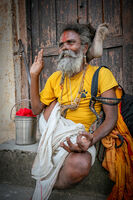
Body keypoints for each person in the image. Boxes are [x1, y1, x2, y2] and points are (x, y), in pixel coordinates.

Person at [30, 23, 118, 200]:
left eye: (71, 43)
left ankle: (46, 182)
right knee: (53, 105)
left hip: (83, 133)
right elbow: (37, 109)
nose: (64, 48)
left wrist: (92, 138)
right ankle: (46, 180)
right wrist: (34, 76)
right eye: (62, 45)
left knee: (80, 164)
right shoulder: (56, 78)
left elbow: (111, 118)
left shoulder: (101, 74)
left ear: (84, 46)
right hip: (55, 132)